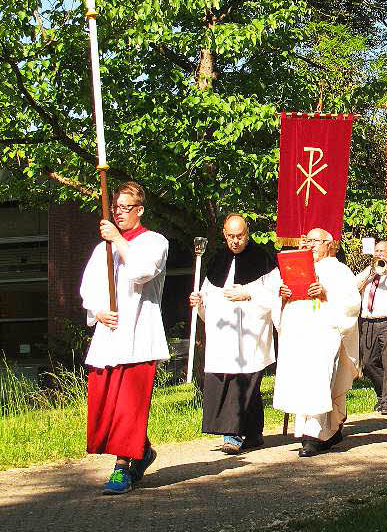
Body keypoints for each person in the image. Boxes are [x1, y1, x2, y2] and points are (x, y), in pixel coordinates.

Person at [80, 181, 168, 494]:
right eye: (116, 207)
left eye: (126, 208)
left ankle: (122, 469)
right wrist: (98, 310)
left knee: (129, 406)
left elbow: (141, 271)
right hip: (108, 336)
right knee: (107, 405)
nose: (119, 213)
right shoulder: (100, 248)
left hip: (138, 337)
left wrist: (118, 240)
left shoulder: (154, 241)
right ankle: (141, 450)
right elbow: (88, 287)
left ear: (140, 210)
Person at [268, 229, 361, 457]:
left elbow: (351, 303)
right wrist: (283, 294)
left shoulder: (338, 270)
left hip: (324, 333)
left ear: (328, 245)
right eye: (307, 241)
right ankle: (309, 431)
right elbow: (281, 301)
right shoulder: (294, 265)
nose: (310, 245)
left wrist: (326, 293)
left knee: (318, 380)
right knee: (302, 380)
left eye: (315, 242)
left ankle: (314, 435)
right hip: (298, 334)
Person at [189, 214, 276, 453]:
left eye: (240, 236)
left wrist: (249, 295)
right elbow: (208, 297)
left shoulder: (263, 259)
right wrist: (199, 301)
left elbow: (277, 295)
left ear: (247, 233)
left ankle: (233, 434)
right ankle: (254, 433)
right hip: (222, 336)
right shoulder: (218, 260)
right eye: (231, 236)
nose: (235, 241)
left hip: (249, 334)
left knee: (243, 383)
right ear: (224, 235)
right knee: (230, 381)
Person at [356, 240, 387, 415]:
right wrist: (370, 275)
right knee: (368, 363)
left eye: (383, 251)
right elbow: (354, 287)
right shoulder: (369, 269)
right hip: (368, 321)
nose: (379, 254)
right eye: (377, 250)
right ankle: (384, 394)